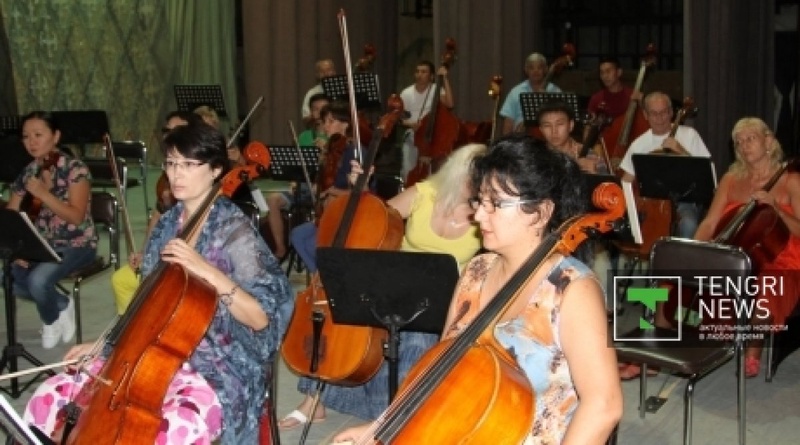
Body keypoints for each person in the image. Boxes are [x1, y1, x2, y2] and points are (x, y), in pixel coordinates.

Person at [333, 135, 622, 444]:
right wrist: (380, 427)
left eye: (495, 204)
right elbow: (439, 373)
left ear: (540, 212)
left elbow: (603, 405)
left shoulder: (573, 290)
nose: (479, 215)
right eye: (479, 200)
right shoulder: (477, 271)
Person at [23, 123, 294, 444]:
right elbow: (147, 303)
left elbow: (261, 317)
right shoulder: (167, 224)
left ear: (216, 170)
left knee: (170, 427)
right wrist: (104, 345)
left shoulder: (235, 233)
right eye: (171, 163)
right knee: (54, 394)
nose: (176, 174)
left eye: (188, 165)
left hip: (218, 363)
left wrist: (207, 270)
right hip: (152, 352)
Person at [279, 143, 486, 429]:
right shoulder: (424, 195)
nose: (477, 186)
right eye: (472, 177)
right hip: (395, 282)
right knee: (346, 312)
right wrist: (360, 189)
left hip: (440, 297)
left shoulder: (486, 211)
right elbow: (373, 216)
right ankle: (315, 400)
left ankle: (393, 413)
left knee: (415, 339)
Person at [692, 117, 800, 378]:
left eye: (750, 138)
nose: (743, 145)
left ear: (769, 141)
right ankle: (657, 340)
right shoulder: (731, 179)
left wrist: (776, 208)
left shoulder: (791, 181)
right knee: (673, 279)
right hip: (737, 254)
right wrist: (693, 250)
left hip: (782, 259)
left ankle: (754, 349)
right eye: (738, 142)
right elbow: (710, 222)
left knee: (768, 285)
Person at [5, 111, 97, 349]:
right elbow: (12, 214)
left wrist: (43, 194)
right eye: (26, 137)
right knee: (8, 277)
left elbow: (76, 217)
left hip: (77, 243)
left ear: (55, 136)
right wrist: (17, 250)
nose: (31, 142)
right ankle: (60, 304)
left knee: (37, 281)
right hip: (41, 243)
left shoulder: (75, 170)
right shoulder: (29, 171)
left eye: (38, 135)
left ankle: (49, 320)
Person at [110, 111, 203, 314]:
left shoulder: (201, 174)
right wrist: (145, 251)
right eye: (166, 130)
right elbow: (158, 214)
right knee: (121, 280)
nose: (169, 135)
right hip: (163, 254)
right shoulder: (165, 177)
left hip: (188, 261)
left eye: (177, 130)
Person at [619, 91, 712, 239]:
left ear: (671, 113)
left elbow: (706, 174)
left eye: (664, 112)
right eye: (654, 113)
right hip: (651, 203)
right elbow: (626, 180)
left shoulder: (689, 135)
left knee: (688, 225)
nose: (660, 118)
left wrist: (681, 151)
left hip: (685, 201)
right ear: (645, 115)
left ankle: (683, 261)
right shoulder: (639, 144)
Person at [290, 101, 358, 273]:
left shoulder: (354, 152)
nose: (325, 126)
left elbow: (361, 194)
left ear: (345, 124)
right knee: (297, 235)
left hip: (345, 215)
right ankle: (319, 280)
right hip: (328, 213)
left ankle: (327, 280)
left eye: (330, 121)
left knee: (316, 246)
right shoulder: (332, 150)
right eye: (325, 121)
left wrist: (331, 191)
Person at [264, 93, 329, 260]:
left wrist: (326, 152)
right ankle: (280, 249)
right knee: (272, 200)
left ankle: (322, 250)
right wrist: (293, 181)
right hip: (303, 186)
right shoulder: (304, 137)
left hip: (324, 187)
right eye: (315, 109)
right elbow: (295, 167)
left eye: (323, 109)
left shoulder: (334, 137)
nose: (319, 113)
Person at [399, 60, 455, 181]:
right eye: (417, 71)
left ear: (431, 76)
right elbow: (400, 119)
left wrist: (444, 78)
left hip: (433, 136)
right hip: (413, 134)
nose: (419, 74)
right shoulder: (406, 93)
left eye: (424, 72)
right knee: (408, 170)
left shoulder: (436, 89)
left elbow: (450, 104)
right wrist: (410, 124)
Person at [538, 100, 608, 174]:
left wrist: (593, 175)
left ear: (571, 125)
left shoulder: (590, 156)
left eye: (560, 124)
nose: (554, 131)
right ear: (541, 129)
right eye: (547, 125)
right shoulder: (534, 157)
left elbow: (608, 184)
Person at [500, 52, 562, 135]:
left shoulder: (555, 91)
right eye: (531, 68)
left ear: (546, 69)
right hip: (520, 139)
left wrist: (548, 100)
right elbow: (508, 123)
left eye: (539, 68)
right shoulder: (515, 92)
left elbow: (562, 120)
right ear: (526, 70)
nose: (535, 71)